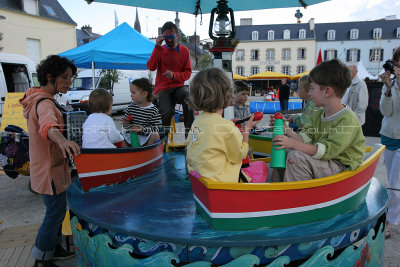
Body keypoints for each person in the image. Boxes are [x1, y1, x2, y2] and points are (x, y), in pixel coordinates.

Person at [20, 55, 80, 267]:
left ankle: (53, 249)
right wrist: (62, 140)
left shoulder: (36, 98)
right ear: (49, 77)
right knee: (54, 214)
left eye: (70, 77)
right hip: (50, 171)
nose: (68, 82)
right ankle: (41, 259)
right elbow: (48, 126)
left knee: (54, 211)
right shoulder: (44, 103)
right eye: (64, 77)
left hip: (45, 168)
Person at [271, 59, 365, 182]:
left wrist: (293, 143)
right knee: (284, 150)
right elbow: (307, 138)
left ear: (327, 91)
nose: (309, 93)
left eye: (312, 88)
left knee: (296, 156)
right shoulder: (319, 114)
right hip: (325, 162)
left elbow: (326, 151)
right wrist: (287, 131)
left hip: (341, 165)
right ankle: (277, 191)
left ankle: (298, 198)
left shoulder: (348, 120)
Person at [185, 68, 260, 183]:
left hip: (201, 179)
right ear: (227, 95)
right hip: (222, 183)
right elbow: (239, 155)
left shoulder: (197, 122)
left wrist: (229, 124)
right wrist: (246, 131)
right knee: (261, 167)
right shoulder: (226, 127)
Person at [146, 21, 194, 137]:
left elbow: (187, 74)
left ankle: (189, 137)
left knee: (189, 99)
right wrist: (157, 46)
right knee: (166, 113)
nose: (169, 40)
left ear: (177, 35)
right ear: (162, 37)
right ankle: (162, 140)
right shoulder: (160, 50)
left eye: (172, 37)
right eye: (166, 37)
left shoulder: (184, 51)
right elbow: (151, 67)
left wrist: (174, 75)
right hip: (163, 88)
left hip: (178, 87)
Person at [379, 46, 400, 238]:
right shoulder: (391, 84)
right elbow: (386, 111)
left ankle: (388, 221)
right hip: (388, 136)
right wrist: (388, 89)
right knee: (394, 182)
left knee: (394, 184)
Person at [121, 78, 161, 146]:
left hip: (145, 138)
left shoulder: (153, 110)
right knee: (118, 136)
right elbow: (126, 126)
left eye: (133, 92)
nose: (131, 95)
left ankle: (146, 153)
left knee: (155, 135)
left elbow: (157, 128)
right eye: (131, 92)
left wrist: (142, 129)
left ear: (144, 94)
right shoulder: (131, 107)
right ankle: (126, 154)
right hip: (131, 136)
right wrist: (126, 123)